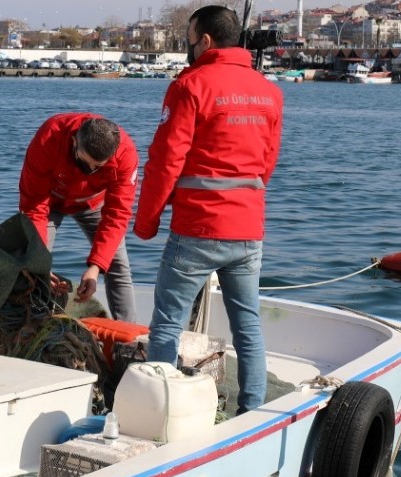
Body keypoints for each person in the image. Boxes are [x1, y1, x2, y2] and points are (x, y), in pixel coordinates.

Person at [133, 5, 283, 414]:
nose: (189, 48)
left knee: (168, 324)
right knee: (248, 326)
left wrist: (146, 222)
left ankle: (158, 413)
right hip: (247, 227)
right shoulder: (269, 91)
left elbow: (166, 160)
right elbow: (267, 161)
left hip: (197, 227)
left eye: (190, 40)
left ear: (206, 41)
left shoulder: (190, 86)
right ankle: (252, 412)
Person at [19, 113, 139, 322]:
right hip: (48, 201)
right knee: (31, 264)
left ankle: (128, 330)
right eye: (84, 163)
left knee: (117, 263)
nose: (90, 170)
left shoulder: (126, 154)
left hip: (92, 203)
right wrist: (39, 265)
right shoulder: (49, 137)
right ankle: (32, 324)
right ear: (74, 141)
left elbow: (117, 215)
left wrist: (95, 268)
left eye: (98, 167)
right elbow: (33, 207)